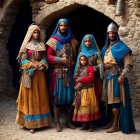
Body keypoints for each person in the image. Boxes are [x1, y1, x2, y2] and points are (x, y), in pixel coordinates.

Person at [16, 24, 52, 133]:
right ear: (31, 34)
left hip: (39, 74)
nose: (36, 34)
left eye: (38, 32)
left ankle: (41, 122)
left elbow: (45, 58)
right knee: (31, 97)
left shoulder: (42, 45)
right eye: (34, 32)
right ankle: (31, 124)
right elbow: (23, 59)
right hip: (30, 73)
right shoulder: (27, 46)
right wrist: (32, 66)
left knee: (40, 96)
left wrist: (42, 64)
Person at [101, 22, 135, 134]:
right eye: (109, 33)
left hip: (117, 76)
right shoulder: (105, 49)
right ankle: (112, 122)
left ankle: (116, 124)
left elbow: (128, 64)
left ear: (116, 34)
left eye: (113, 33)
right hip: (107, 76)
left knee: (115, 100)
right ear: (107, 34)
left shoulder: (121, 47)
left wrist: (122, 76)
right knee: (109, 101)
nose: (111, 34)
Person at [46, 18, 78, 132]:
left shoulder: (72, 41)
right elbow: (48, 57)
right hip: (58, 72)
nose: (63, 27)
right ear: (58, 27)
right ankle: (57, 122)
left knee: (69, 98)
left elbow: (77, 55)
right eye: (61, 26)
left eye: (65, 25)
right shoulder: (52, 41)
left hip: (69, 72)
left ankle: (68, 121)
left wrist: (74, 62)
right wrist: (60, 60)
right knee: (57, 98)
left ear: (67, 27)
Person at [73, 55, 101, 132]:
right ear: (79, 61)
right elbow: (75, 78)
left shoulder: (89, 68)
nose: (83, 61)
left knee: (89, 106)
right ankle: (84, 124)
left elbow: (91, 77)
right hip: (81, 91)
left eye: (84, 60)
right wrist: (77, 84)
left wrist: (81, 80)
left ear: (87, 60)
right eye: (81, 60)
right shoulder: (78, 69)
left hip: (89, 90)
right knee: (83, 107)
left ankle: (91, 125)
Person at [74, 34, 103, 103]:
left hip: (94, 78)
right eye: (85, 41)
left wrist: (96, 67)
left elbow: (101, 64)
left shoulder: (96, 54)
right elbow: (77, 67)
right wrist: (76, 79)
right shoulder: (81, 54)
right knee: (83, 99)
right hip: (82, 79)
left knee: (94, 97)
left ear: (92, 42)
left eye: (89, 41)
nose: (87, 43)